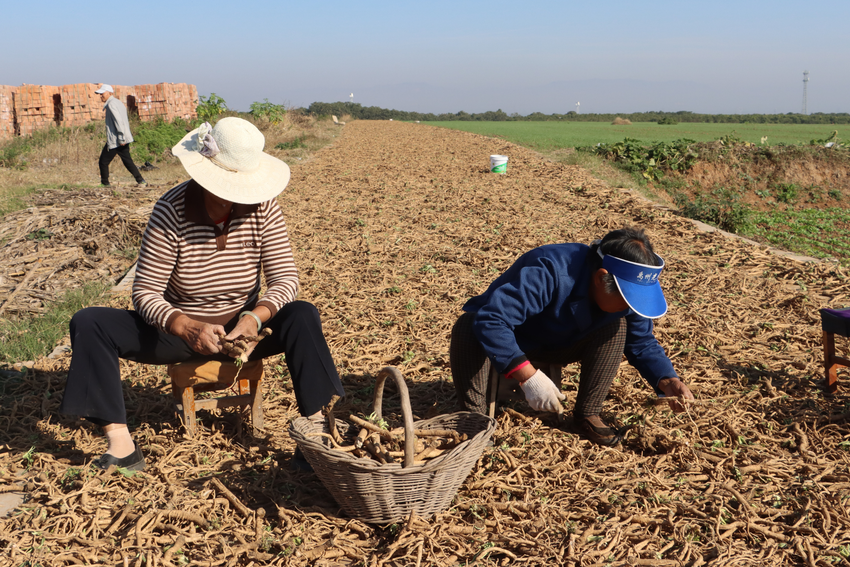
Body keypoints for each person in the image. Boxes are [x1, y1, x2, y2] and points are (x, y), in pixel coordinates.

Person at [60, 117, 345, 471]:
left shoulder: (264, 207)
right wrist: (184, 326)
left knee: (303, 314)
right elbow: (146, 291)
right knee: (90, 322)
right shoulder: (171, 210)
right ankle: (122, 445)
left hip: (246, 332)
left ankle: (315, 435)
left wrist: (254, 318)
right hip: (181, 331)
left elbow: (285, 277)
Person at [449, 227, 694, 446]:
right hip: (514, 339)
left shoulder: (624, 299)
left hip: (562, 343)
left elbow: (641, 341)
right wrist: (528, 377)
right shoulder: (551, 269)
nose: (630, 306)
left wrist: (667, 380)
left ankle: (587, 414)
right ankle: (474, 421)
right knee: (468, 325)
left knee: (617, 327)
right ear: (601, 278)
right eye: (626, 299)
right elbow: (493, 319)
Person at [95, 84, 147, 188]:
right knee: (128, 161)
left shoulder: (111, 104)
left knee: (103, 161)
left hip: (116, 139)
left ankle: (105, 184)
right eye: (100, 94)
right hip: (122, 138)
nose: (101, 96)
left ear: (110, 93)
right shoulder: (118, 102)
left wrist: (121, 137)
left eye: (103, 94)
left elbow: (118, 121)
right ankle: (140, 180)